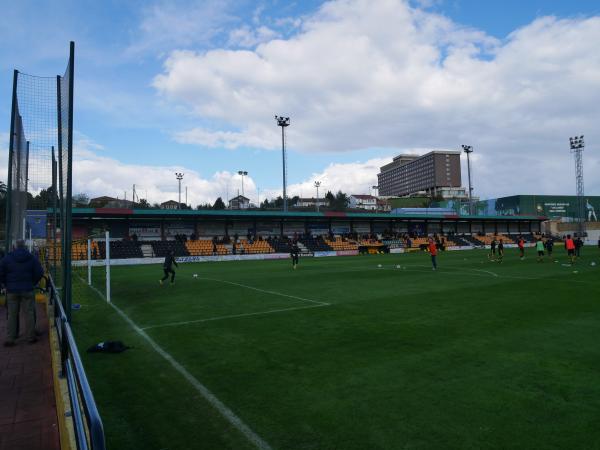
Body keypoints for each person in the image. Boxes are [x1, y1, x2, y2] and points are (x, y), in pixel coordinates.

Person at [0, 240, 44, 346]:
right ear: (24, 246)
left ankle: (11, 338)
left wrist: (5, 284)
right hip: (27, 289)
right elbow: (40, 272)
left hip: (12, 291)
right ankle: (31, 337)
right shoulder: (31, 257)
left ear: (14, 247)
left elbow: (1, 273)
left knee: (12, 314)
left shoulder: (7, 258)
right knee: (29, 313)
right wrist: (32, 283)